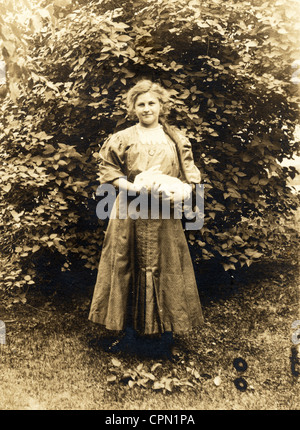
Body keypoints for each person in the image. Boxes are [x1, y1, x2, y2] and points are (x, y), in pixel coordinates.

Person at [88, 79, 203, 356]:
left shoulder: (175, 139)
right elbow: (108, 173)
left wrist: (183, 193)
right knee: (127, 267)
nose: (147, 108)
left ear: (161, 106)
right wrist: (135, 186)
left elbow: (191, 177)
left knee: (166, 269)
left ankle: (165, 338)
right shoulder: (123, 138)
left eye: (152, 103)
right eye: (141, 104)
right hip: (130, 212)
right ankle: (129, 336)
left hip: (165, 215)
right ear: (133, 108)